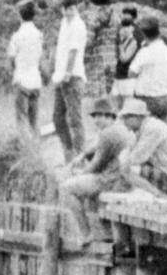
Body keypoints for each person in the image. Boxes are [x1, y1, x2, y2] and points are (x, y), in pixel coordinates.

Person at [56, 96, 134, 242]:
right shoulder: (119, 128)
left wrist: (77, 173)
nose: (96, 120)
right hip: (123, 180)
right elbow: (96, 146)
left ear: (109, 116)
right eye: (95, 116)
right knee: (82, 184)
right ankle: (104, 230)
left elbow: (96, 166)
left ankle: (86, 234)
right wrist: (82, 156)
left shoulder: (107, 134)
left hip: (110, 181)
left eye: (100, 116)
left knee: (66, 188)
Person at [118, 98, 167, 198]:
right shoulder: (144, 127)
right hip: (166, 171)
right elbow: (130, 150)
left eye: (127, 118)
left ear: (137, 117)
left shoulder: (152, 128)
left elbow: (136, 158)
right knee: (125, 168)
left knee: (127, 169)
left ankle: (160, 195)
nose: (124, 122)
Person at [51, 0, 88, 162]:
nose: (72, 11)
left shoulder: (77, 25)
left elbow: (73, 51)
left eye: (74, 8)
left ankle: (80, 156)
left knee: (75, 119)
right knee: (58, 118)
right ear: (63, 10)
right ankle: (69, 153)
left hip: (72, 77)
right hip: (60, 78)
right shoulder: (64, 23)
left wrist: (67, 72)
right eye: (68, 9)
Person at [5, 0, 43, 137]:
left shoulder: (17, 36)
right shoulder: (39, 35)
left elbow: (10, 63)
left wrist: (12, 76)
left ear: (20, 15)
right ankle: (37, 147)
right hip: (35, 82)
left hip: (21, 81)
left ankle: (26, 150)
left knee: (21, 119)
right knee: (34, 120)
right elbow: (40, 59)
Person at [128, 16, 167, 121]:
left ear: (144, 35)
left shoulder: (145, 52)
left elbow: (131, 73)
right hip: (163, 99)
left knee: (143, 133)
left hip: (146, 100)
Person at [83, 0, 116, 97]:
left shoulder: (92, 17)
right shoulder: (115, 16)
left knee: (96, 102)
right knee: (109, 101)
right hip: (113, 61)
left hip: (97, 63)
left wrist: (83, 60)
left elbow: (88, 41)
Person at [110, 6, 140, 108]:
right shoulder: (122, 34)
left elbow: (124, 58)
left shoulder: (137, 34)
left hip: (129, 75)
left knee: (128, 104)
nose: (123, 29)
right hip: (120, 74)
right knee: (116, 101)